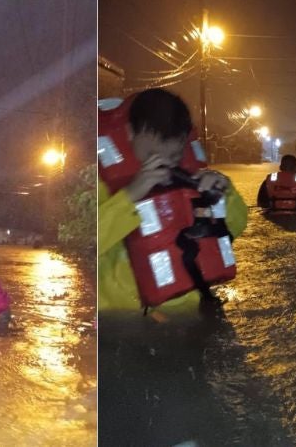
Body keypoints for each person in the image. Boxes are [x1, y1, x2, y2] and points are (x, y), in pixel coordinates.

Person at [98, 89, 248, 313]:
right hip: (121, 317)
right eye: (153, 156)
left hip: (187, 313)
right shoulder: (99, 182)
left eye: (174, 156)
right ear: (130, 132)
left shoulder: (192, 177)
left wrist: (222, 193)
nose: (166, 165)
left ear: (184, 141)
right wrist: (128, 197)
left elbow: (235, 227)